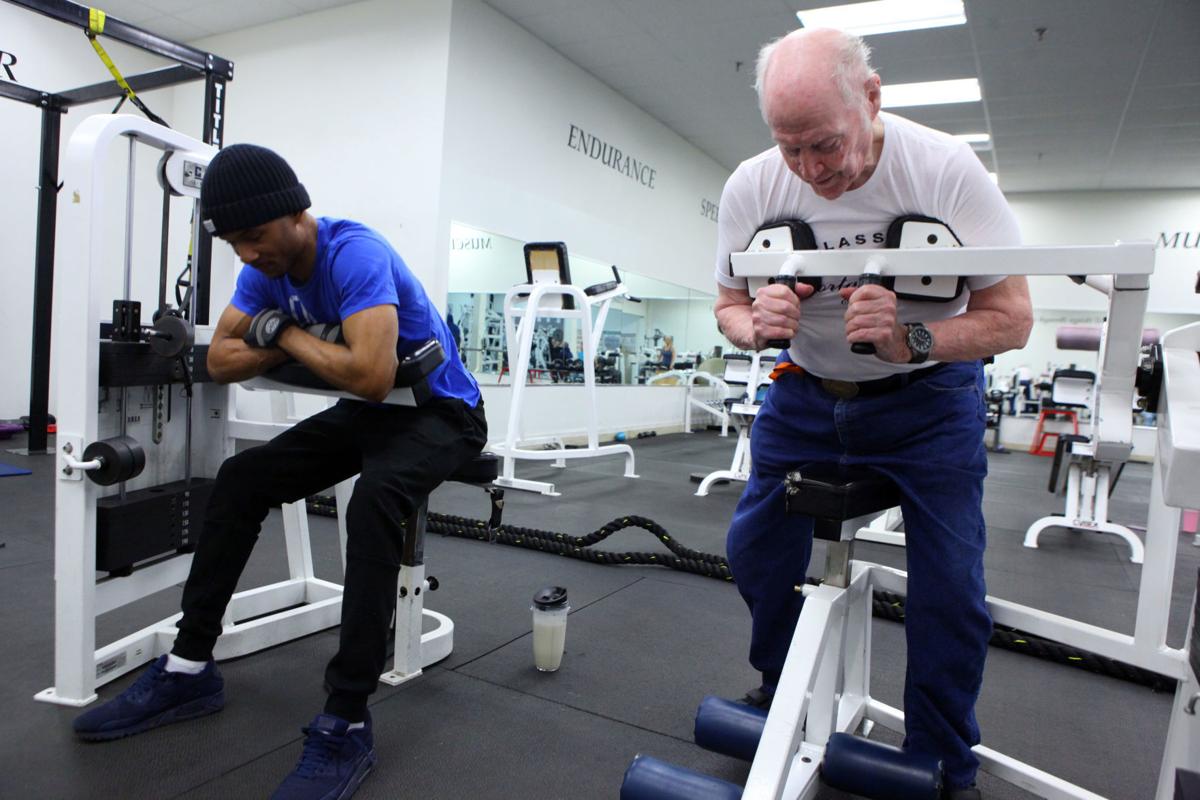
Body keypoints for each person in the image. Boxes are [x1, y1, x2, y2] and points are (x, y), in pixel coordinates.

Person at [72, 143, 487, 800]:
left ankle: (347, 718)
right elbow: (218, 362)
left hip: (443, 412)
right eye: (235, 243)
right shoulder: (262, 271)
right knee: (242, 480)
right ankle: (187, 667)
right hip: (369, 414)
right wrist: (275, 340)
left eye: (256, 237)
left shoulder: (356, 254)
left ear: (297, 214)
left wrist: (283, 335)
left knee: (375, 499)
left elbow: (372, 376)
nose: (248, 255)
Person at [712, 28, 1032, 799]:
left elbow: (1013, 317)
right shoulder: (753, 187)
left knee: (949, 586)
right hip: (804, 398)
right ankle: (783, 691)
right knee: (754, 549)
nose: (811, 171)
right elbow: (726, 304)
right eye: (791, 150)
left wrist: (911, 337)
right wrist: (753, 324)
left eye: (825, 144)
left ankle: (943, 756)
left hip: (928, 405)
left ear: (872, 97)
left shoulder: (943, 169)